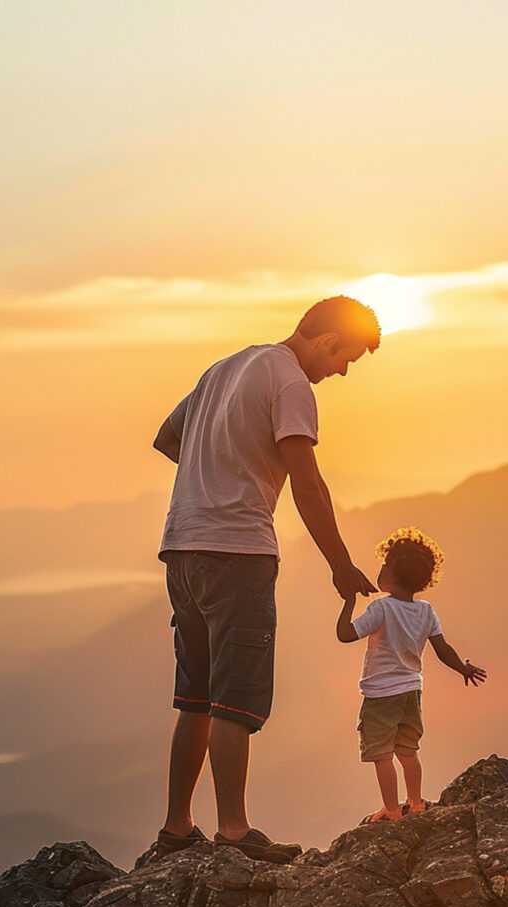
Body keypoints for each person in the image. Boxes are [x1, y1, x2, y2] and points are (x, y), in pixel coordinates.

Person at [152, 296, 380, 861]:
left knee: (195, 697)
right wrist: (340, 564)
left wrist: (217, 469)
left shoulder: (226, 368)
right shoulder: (292, 385)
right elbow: (307, 482)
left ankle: (177, 828)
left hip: (183, 547)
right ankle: (234, 832)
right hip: (238, 554)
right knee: (236, 700)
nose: (342, 371)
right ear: (327, 342)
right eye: (346, 358)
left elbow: (167, 438)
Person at [336, 527, 487, 824]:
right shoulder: (426, 611)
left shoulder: (381, 608)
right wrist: (464, 669)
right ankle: (416, 802)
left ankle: (392, 812)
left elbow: (345, 635)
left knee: (382, 754)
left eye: (384, 564)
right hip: (411, 692)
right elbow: (443, 650)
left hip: (380, 695)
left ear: (391, 573)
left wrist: (348, 601)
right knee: (408, 751)